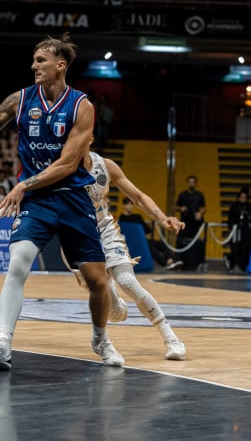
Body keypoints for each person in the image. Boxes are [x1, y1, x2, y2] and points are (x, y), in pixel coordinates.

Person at [0, 33, 125, 370]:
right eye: (34, 60)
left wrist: (24, 184)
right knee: (18, 262)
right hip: (37, 201)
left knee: (98, 281)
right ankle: (4, 340)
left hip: (73, 199)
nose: (34, 65)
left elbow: (68, 164)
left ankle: (100, 337)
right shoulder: (20, 100)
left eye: (41, 60)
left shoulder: (82, 107)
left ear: (60, 65)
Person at [64, 151, 186, 360]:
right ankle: (109, 292)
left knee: (128, 282)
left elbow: (137, 196)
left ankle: (171, 338)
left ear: (90, 137)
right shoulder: (61, 165)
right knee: (115, 313)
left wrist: (162, 217)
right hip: (77, 235)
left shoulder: (105, 165)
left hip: (105, 229)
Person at [226, 187, 251, 272]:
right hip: (235, 230)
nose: (243, 199)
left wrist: (248, 217)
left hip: (245, 231)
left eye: (244, 197)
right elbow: (230, 218)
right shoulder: (234, 206)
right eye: (241, 197)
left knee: (244, 249)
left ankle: (242, 267)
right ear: (238, 198)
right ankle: (233, 266)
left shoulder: (248, 206)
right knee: (234, 248)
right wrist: (231, 227)